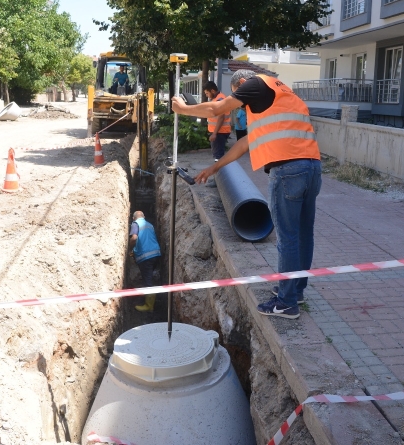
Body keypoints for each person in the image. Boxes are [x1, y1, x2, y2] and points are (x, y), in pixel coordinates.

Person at [172, 70, 321, 320]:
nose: (238, 100)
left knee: (287, 238)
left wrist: (183, 108)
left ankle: (286, 303)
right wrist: (214, 168)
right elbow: (244, 144)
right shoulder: (280, 93)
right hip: (312, 168)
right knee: (304, 234)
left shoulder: (254, 84)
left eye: (236, 94)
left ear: (241, 84)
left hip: (287, 171)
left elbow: (215, 110)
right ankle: (295, 290)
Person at [128, 210, 161, 312]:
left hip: (145, 257)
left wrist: (130, 248)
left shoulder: (135, 224)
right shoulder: (150, 225)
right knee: (149, 275)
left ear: (133, 218)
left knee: (148, 280)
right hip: (156, 254)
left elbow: (134, 238)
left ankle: (149, 306)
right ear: (144, 216)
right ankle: (150, 295)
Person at [202, 81, 231, 161]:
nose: (206, 95)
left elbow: (221, 118)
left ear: (213, 91)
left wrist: (214, 134)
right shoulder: (218, 98)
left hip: (219, 132)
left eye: (207, 93)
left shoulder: (219, 100)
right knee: (218, 154)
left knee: (218, 157)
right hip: (220, 131)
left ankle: (219, 172)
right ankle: (220, 171)